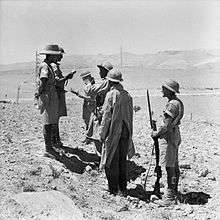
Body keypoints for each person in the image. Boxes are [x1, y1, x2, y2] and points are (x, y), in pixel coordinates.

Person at [99, 69, 135, 196]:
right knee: (122, 160)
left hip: (114, 132)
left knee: (111, 160)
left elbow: (107, 117)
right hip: (126, 131)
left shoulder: (111, 95)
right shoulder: (127, 95)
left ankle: (113, 190)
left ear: (110, 82)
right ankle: (123, 188)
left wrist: (102, 134)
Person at [151, 79, 184, 206]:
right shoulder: (177, 102)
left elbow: (166, 124)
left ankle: (170, 197)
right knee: (174, 165)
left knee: (169, 166)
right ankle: (173, 191)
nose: (162, 89)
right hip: (174, 135)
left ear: (169, 91)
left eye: (164, 88)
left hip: (169, 136)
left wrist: (156, 133)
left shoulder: (172, 104)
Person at [35, 44, 61, 157]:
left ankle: (50, 147)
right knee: (47, 122)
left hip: (49, 94)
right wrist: (39, 92)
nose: (57, 57)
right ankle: (48, 149)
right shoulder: (45, 66)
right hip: (47, 95)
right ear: (51, 55)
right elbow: (43, 80)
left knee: (50, 121)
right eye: (55, 55)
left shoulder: (48, 65)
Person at [50, 46, 76, 148]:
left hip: (58, 93)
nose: (61, 57)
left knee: (55, 118)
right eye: (60, 55)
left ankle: (55, 141)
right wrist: (67, 77)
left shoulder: (54, 65)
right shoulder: (54, 66)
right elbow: (57, 81)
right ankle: (55, 141)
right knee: (54, 118)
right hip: (56, 94)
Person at [86, 62, 113, 152]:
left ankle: (101, 157)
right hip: (106, 110)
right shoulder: (110, 82)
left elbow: (91, 91)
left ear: (106, 71)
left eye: (101, 71)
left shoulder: (106, 82)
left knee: (97, 134)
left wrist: (88, 83)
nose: (99, 73)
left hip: (101, 111)